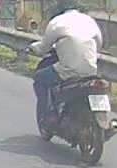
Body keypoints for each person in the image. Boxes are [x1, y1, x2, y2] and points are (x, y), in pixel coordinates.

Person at [29, 1, 103, 131]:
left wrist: (33, 47)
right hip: (91, 71)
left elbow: (43, 48)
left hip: (68, 70)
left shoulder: (57, 22)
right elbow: (99, 44)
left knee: (40, 79)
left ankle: (47, 116)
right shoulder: (89, 21)